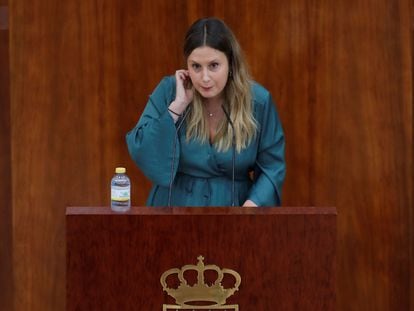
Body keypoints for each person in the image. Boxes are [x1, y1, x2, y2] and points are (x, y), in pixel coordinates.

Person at [126, 17, 285, 207]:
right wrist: (177, 108)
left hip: (235, 210)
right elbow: (142, 148)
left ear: (231, 64)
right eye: (196, 66)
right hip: (173, 208)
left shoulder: (257, 101)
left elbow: (272, 166)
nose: (205, 78)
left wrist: (252, 206)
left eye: (214, 65)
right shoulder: (170, 91)